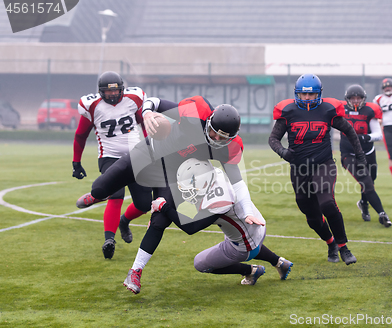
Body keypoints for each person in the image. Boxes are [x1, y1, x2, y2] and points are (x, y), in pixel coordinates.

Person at [75, 96, 256, 285]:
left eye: (224, 137)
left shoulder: (228, 147)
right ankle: (96, 196)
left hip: (170, 174)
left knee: (160, 219)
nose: (217, 139)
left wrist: (248, 212)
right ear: (208, 121)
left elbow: (237, 182)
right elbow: (156, 102)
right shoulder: (194, 113)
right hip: (146, 154)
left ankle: (135, 271)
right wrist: (146, 113)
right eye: (214, 133)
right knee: (100, 187)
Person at [123, 158, 293, 294]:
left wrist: (164, 207)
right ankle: (279, 262)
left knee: (201, 263)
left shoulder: (219, 200)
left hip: (245, 242)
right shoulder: (213, 174)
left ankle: (251, 271)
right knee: (240, 237)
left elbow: (190, 227)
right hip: (255, 226)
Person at [269, 73, 367, 265]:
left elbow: (349, 130)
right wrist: (282, 151)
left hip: (323, 164)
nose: (307, 98)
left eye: (311, 95)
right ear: (297, 94)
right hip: (299, 168)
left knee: (327, 203)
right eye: (304, 95)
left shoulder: (327, 110)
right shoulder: (288, 111)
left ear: (318, 94)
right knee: (311, 216)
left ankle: (343, 247)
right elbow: (273, 139)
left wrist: (360, 155)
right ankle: (330, 243)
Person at [72, 71, 151, 259]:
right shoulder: (91, 106)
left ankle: (124, 221)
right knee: (116, 194)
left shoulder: (134, 99)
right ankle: (109, 239)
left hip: (136, 156)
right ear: (100, 92)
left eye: (115, 92)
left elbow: (145, 124)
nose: (113, 95)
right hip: (110, 156)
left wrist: (150, 146)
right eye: (108, 92)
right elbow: (80, 135)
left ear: (122, 89)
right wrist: (76, 161)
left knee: (144, 204)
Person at [340, 84, 391, 227]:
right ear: (347, 99)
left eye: (358, 98)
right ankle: (382, 214)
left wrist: (364, 138)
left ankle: (363, 203)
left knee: (370, 181)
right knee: (366, 182)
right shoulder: (341, 111)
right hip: (348, 154)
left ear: (364, 98)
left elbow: (378, 134)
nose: (356, 101)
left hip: (368, 152)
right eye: (353, 98)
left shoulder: (370, 111)